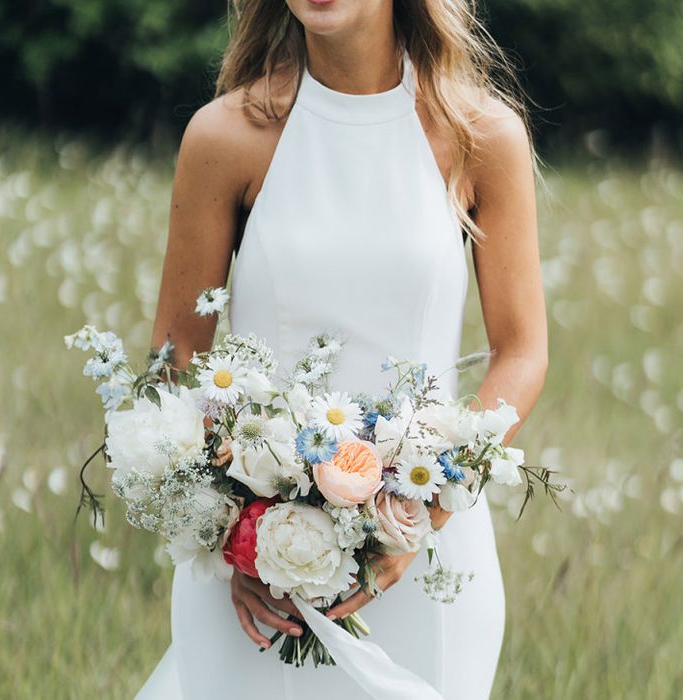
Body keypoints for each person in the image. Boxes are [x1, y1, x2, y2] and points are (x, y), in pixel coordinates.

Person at [138, 0, 547, 697]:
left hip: (427, 560)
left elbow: (521, 351)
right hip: (256, 575)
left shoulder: (482, 134)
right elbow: (177, 358)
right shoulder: (225, 136)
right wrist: (235, 538)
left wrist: (421, 516)